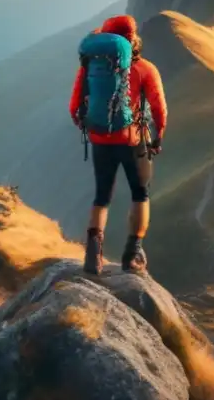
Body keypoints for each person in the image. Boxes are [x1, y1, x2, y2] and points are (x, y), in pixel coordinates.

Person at [70, 14, 167, 275]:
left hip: (100, 139)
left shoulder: (90, 66)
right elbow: (159, 108)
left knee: (102, 196)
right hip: (133, 140)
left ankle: (92, 256)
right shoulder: (145, 69)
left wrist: (88, 126)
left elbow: (74, 104)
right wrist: (158, 136)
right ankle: (133, 254)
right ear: (133, 39)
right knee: (140, 193)